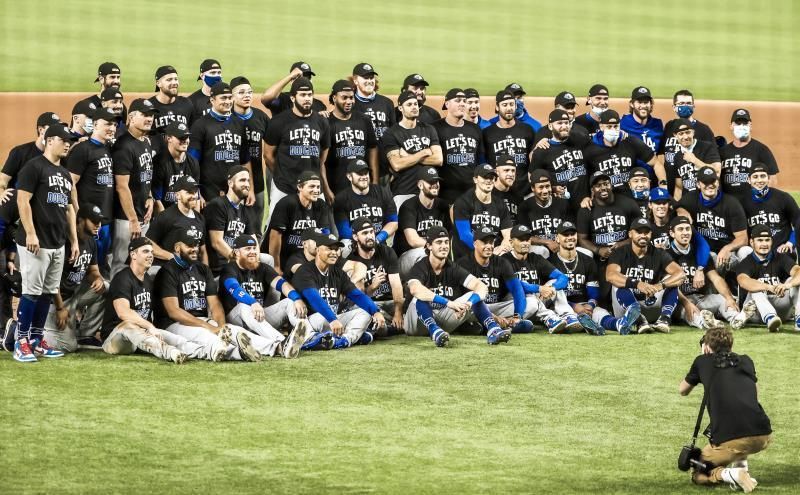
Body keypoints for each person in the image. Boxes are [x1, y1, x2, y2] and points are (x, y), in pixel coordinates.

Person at [12, 124, 78, 362]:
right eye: (64, 140)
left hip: (57, 242)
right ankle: (20, 342)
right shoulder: (34, 167)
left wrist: (74, 240)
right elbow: (22, 201)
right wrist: (30, 233)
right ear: (50, 140)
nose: (68, 144)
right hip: (36, 243)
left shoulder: (64, 173)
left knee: (47, 293)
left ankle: (36, 340)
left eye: (70, 141)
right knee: (31, 292)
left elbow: (69, 209)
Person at [679, 326, 772, 493]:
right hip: (763, 434)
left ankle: (732, 474)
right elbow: (755, 396)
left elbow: (683, 390)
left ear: (706, 346)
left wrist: (703, 359)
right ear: (731, 345)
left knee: (699, 472)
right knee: (740, 426)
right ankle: (743, 469)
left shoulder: (701, 361)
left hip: (732, 439)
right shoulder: (746, 360)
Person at [153, 229, 264, 362]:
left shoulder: (203, 269)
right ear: (177, 248)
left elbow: (215, 304)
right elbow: (174, 312)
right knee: (205, 334)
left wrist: (221, 327)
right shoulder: (167, 271)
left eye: (196, 245)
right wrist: (208, 327)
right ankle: (238, 353)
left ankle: (275, 347)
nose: (194, 249)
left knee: (233, 330)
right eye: (189, 246)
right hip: (173, 324)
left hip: (201, 320)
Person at [404, 225, 509, 347]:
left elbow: (481, 286)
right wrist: (449, 303)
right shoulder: (420, 267)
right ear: (429, 246)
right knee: (420, 297)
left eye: (446, 242)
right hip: (416, 323)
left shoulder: (453, 267)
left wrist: (469, 304)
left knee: (473, 295)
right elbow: (415, 289)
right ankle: (434, 330)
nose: (444, 246)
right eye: (439, 242)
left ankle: (493, 329)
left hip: (442, 321)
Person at [99, 237, 198, 364]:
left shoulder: (148, 280)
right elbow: (123, 312)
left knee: (176, 339)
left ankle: (209, 351)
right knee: (129, 326)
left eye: (152, 252)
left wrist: (152, 329)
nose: (151, 255)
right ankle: (171, 353)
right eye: (145, 251)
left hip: (142, 334)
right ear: (133, 255)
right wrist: (149, 326)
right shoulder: (122, 278)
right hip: (116, 338)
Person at [219, 235, 310, 359]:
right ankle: (282, 341)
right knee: (244, 306)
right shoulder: (229, 269)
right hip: (236, 319)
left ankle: (308, 338)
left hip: (258, 318)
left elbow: (282, 284)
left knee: (289, 302)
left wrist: (296, 298)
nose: (252, 251)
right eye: (247, 249)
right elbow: (234, 288)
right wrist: (252, 302)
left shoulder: (263, 267)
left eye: (254, 248)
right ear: (237, 252)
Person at [292, 231, 385, 349]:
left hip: (334, 319)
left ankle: (343, 340)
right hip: (312, 320)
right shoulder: (305, 271)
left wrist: (375, 311)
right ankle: (318, 339)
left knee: (365, 313)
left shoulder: (337, 272)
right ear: (318, 250)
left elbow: (357, 295)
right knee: (322, 317)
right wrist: (332, 319)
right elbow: (314, 299)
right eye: (329, 249)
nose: (334, 253)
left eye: (336, 249)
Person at [40, 204, 107, 352]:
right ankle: (24, 331)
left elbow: (93, 270)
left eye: (100, 221)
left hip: (73, 296)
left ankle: (85, 334)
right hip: (54, 299)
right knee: (69, 346)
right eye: (94, 221)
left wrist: (97, 278)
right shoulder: (63, 241)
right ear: (81, 220)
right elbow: (51, 279)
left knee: (106, 287)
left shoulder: (91, 241)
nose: (98, 225)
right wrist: (60, 308)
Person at [668, 216, 753, 330]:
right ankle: (704, 322)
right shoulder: (666, 254)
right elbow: (669, 285)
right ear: (672, 233)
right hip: (679, 301)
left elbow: (716, 278)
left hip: (700, 297)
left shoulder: (699, 253)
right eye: (680, 229)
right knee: (688, 311)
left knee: (723, 300)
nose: (685, 233)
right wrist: (687, 303)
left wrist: (728, 298)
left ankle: (737, 318)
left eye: (688, 229)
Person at [264, 77, 331, 222]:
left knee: (319, 227)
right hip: (284, 187)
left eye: (309, 95)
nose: (307, 99)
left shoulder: (322, 122)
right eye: (302, 95)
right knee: (275, 225)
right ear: (293, 98)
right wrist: (282, 175)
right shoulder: (278, 122)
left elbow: (322, 157)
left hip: (313, 186)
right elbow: (268, 155)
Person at [606, 218, 686, 334]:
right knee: (618, 282)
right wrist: (638, 284)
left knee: (670, 280)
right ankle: (638, 319)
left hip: (651, 303)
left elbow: (681, 274)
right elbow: (610, 275)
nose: (643, 235)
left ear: (651, 234)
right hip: (625, 309)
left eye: (646, 232)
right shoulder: (620, 252)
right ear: (630, 234)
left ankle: (664, 319)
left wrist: (660, 285)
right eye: (639, 232)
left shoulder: (659, 253)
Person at [548, 221, 625, 335]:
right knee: (565, 315)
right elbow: (549, 295)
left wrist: (590, 305)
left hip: (585, 305)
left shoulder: (587, 260)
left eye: (573, 234)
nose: (570, 237)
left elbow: (593, 289)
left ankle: (619, 324)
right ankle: (586, 324)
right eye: (565, 235)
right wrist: (574, 306)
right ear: (557, 239)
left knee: (600, 313)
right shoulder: (550, 263)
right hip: (562, 307)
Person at [66, 107, 118, 272]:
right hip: (88, 220)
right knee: (82, 265)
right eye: (107, 124)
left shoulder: (108, 148)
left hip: (105, 218)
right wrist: (78, 211)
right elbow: (70, 183)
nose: (112, 128)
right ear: (95, 125)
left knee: (99, 264)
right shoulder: (82, 149)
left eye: (114, 125)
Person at [498, 225, 576, 333]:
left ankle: (568, 316)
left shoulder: (535, 258)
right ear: (511, 242)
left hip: (536, 299)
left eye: (527, 239)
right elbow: (515, 286)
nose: (525, 243)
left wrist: (552, 288)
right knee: (528, 296)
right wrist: (539, 289)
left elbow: (563, 277)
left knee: (554, 283)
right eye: (521, 240)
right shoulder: (503, 261)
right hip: (514, 302)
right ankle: (549, 318)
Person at [111, 98, 157, 278]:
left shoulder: (145, 141)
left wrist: (150, 197)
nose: (149, 118)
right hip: (126, 218)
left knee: (140, 264)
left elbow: (146, 175)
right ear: (130, 117)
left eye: (151, 115)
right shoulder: (124, 146)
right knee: (120, 263)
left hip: (141, 214)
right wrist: (132, 220)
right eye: (145, 115)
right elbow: (122, 187)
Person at [188, 82, 251, 203]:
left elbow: (245, 160)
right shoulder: (200, 125)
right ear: (212, 100)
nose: (228, 101)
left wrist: (249, 188)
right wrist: (196, 191)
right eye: (223, 98)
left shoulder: (239, 123)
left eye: (230, 97)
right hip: (209, 192)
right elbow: (192, 163)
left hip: (235, 191)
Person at [676, 167, 748, 273]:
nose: (710, 185)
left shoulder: (731, 203)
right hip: (705, 251)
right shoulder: (691, 198)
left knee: (746, 251)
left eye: (713, 181)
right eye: (705, 182)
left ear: (718, 183)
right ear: (698, 184)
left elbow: (743, 238)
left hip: (729, 251)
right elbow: (673, 205)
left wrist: (727, 248)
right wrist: (680, 209)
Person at [383, 90, 442, 209]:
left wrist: (408, 156)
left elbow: (438, 160)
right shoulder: (392, 133)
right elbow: (397, 164)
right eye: (409, 104)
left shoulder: (429, 129)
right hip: (404, 192)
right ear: (400, 108)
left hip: (428, 192)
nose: (414, 107)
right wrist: (423, 152)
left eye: (415, 104)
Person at [735, 225, 800, 331]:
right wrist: (769, 287)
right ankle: (770, 318)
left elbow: (798, 271)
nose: (764, 244)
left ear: (771, 242)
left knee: (794, 281)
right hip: (757, 313)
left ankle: (799, 320)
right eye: (760, 240)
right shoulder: (746, 263)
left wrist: (787, 285)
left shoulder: (781, 257)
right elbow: (743, 281)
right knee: (755, 287)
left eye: (767, 240)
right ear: (752, 242)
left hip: (780, 307)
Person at [346, 218, 404, 336]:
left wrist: (398, 312)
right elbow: (360, 297)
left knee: (412, 306)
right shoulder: (352, 261)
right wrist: (373, 286)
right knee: (359, 310)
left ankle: (385, 328)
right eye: (365, 233)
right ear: (355, 237)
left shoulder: (387, 252)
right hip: (371, 305)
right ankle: (386, 329)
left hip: (391, 302)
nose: (370, 236)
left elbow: (396, 285)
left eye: (371, 232)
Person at [265, 170, 331, 274]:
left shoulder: (321, 205)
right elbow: (275, 236)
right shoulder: (287, 204)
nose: (316, 190)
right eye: (312, 186)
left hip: (305, 255)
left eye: (318, 187)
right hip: (284, 256)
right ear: (300, 187)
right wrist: (276, 266)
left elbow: (325, 234)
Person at [584, 110, 661, 192]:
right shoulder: (591, 149)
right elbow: (585, 177)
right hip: (607, 195)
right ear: (601, 127)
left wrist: (663, 183)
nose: (613, 129)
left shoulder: (630, 141)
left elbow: (656, 163)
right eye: (609, 127)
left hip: (630, 194)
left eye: (616, 126)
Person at [324, 79, 378, 195]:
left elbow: (372, 148)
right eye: (344, 98)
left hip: (362, 185)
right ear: (334, 98)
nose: (349, 101)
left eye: (351, 97)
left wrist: (375, 180)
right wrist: (326, 189)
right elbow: (321, 161)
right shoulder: (326, 123)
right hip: (336, 185)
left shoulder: (364, 120)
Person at [396, 167, 451, 278]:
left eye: (436, 181)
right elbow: (413, 241)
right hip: (407, 257)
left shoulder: (443, 206)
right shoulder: (408, 206)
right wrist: (437, 247)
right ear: (420, 185)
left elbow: (449, 237)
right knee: (425, 253)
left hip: (434, 253)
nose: (435, 185)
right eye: (431, 182)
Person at [530, 109, 591, 210]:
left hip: (584, 204)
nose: (564, 126)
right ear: (550, 126)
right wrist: (551, 189)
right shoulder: (542, 151)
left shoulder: (580, 140)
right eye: (559, 123)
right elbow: (532, 177)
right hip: (560, 208)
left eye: (566, 123)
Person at [231, 76, 270, 230]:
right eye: (241, 92)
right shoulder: (228, 119)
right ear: (232, 96)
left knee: (256, 227)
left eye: (249, 92)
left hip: (257, 180)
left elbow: (273, 144)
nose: (247, 96)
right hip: (232, 182)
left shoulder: (261, 117)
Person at [577, 171, 643, 261]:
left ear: (611, 185)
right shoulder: (586, 209)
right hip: (599, 259)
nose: (603, 188)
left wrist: (622, 244)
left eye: (606, 184)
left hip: (627, 255)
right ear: (592, 190)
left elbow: (641, 232)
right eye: (598, 185)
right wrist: (598, 250)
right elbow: (582, 239)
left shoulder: (628, 203)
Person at [204, 166, 258, 276]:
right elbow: (216, 242)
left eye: (248, 180)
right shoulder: (218, 205)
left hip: (239, 261)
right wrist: (240, 261)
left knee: (268, 260)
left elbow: (254, 241)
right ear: (230, 183)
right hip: (221, 266)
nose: (247, 184)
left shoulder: (245, 210)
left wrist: (254, 258)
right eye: (242, 180)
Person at [433, 88, 484, 203]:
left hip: (471, 192)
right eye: (457, 100)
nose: (462, 103)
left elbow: (480, 160)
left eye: (464, 101)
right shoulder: (435, 128)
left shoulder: (475, 129)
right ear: (447, 104)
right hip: (445, 193)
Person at [333, 159, 396, 251]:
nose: (364, 177)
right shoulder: (341, 199)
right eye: (359, 174)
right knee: (345, 245)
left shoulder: (382, 192)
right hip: (354, 243)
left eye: (366, 173)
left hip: (378, 241)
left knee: (390, 252)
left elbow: (393, 222)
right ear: (349, 176)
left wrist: (378, 239)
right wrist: (364, 243)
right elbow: (344, 232)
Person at [452, 163, 512, 259]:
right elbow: (465, 236)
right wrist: (488, 251)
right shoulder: (463, 202)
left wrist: (503, 247)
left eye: (491, 178)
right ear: (475, 179)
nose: (489, 180)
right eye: (485, 177)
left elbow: (508, 235)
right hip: (467, 256)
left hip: (493, 255)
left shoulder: (500, 204)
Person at [146, 176, 208, 269]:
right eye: (189, 192)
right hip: (167, 269)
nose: (194, 196)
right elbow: (147, 244)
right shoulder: (165, 216)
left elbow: (203, 251)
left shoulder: (200, 219)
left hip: (189, 271)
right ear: (177, 195)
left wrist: (205, 273)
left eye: (195, 192)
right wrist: (171, 257)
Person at [482, 90, 535, 197]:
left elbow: (534, 158)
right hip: (498, 193)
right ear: (497, 107)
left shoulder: (527, 130)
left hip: (524, 191)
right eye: (504, 105)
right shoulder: (487, 133)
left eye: (511, 104)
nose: (509, 108)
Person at [739, 164, 799, 256]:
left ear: (768, 178)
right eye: (755, 177)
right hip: (756, 253)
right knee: (743, 251)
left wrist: (790, 243)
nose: (759, 180)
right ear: (749, 180)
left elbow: (798, 223)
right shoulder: (742, 202)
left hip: (781, 250)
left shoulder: (783, 198)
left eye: (763, 176)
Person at [719, 109, 779, 198]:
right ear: (731, 126)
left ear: (750, 126)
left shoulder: (762, 150)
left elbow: (772, 180)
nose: (741, 126)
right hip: (729, 203)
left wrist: (762, 200)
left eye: (745, 123)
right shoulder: (723, 151)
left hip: (752, 203)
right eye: (738, 123)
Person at [1, 112, 61, 196]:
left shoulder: (58, 156)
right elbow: (3, 180)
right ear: (41, 130)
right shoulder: (19, 152)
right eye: (53, 129)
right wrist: (1, 193)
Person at [518, 168, 572, 258]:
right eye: (541, 187)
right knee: (543, 251)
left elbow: (569, 229)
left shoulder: (562, 204)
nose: (545, 191)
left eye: (547, 186)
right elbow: (524, 236)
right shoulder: (524, 207)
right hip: (537, 251)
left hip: (559, 247)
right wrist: (547, 242)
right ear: (532, 188)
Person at [665, 119, 721, 201]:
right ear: (675, 135)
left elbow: (717, 170)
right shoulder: (677, 156)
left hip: (708, 200)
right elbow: (679, 187)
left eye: (688, 132)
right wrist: (677, 205)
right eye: (681, 134)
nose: (685, 137)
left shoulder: (707, 147)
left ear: (693, 132)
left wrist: (694, 160)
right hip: (689, 202)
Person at [152, 121, 201, 212]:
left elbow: (196, 196)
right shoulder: (159, 162)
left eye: (187, 137)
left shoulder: (193, 162)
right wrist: (166, 220)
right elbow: (157, 200)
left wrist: (196, 218)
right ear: (169, 138)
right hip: (166, 213)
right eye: (181, 138)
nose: (185, 141)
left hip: (186, 213)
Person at [259, 61, 327, 116]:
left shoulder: (319, 105)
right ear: (291, 81)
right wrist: (290, 76)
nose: (304, 81)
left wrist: (318, 118)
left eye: (308, 77)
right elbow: (265, 98)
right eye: (300, 77)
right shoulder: (282, 100)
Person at [350, 62, 396, 142]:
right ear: (355, 81)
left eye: (371, 78)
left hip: (384, 147)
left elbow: (394, 130)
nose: (369, 81)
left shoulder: (387, 103)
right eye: (365, 78)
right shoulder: (350, 104)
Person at [147, 65, 194, 133]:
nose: (174, 82)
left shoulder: (186, 104)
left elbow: (193, 132)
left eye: (176, 79)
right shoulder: (149, 107)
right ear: (158, 83)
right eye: (169, 80)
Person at [620, 86, 664, 155]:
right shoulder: (623, 123)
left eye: (646, 102)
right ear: (632, 104)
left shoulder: (657, 125)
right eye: (639, 102)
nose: (643, 106)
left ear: (651, 104)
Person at [492, 153, 522, 223]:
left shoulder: (518, 195)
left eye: (513, 171)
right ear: (497, 172)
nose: (511, 174)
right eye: (506, 170)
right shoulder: (488, 193)